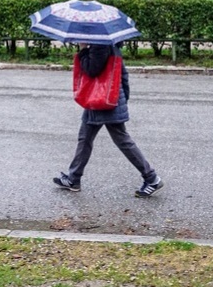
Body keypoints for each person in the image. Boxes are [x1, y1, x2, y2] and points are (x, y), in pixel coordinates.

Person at [53, 43, 163, 197]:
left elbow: (91, 70)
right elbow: (124, 75)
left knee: (123, 141)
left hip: (104, 101)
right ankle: (73, 178)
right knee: (85, 138)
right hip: (103, 100)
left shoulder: (100, 46)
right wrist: (123, 99)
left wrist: (83, 49)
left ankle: (152, 178)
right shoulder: (111, 45)